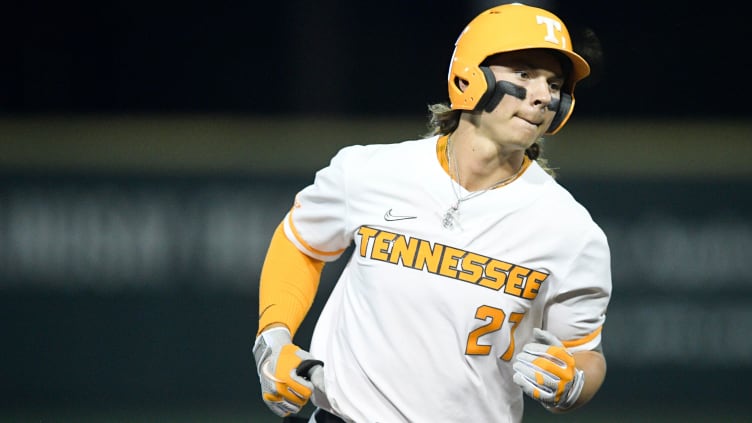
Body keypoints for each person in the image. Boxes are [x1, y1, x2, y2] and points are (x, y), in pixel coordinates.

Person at [252, 3, 612, 422]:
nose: (542, 95)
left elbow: (585, 355)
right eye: (524, 73)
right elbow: (301, 243)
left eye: (554, 84)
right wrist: (273, 337)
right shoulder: (369, 172)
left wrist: (572, 382)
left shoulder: (569, 230)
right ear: (468, 76)